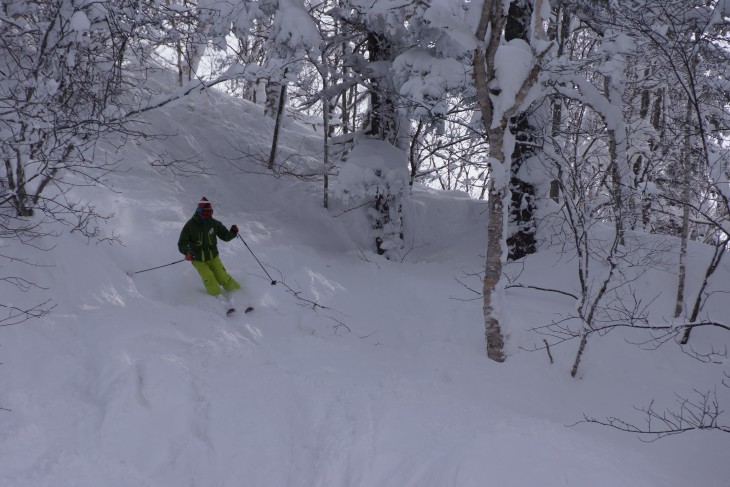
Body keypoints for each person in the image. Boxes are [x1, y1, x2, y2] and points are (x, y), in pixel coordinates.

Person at [178, 197, 241, 296]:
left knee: (222, 276)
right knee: (209, 277)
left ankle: (239, 293)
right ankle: (218, 299)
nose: (208, 215)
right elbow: (182, 243)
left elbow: (225, 236)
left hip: (213, 256)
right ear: (199, 212)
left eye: (210, 213)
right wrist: (188, 252)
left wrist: (233, 232)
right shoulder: (190, 225)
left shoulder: (214, 224)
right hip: (197, 258)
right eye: (205, 213)